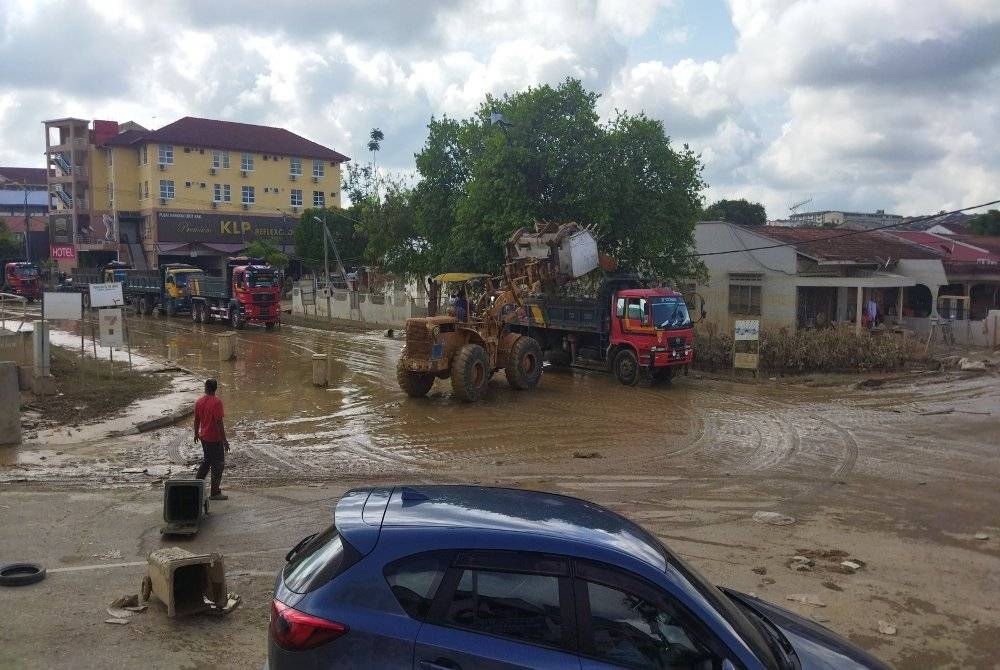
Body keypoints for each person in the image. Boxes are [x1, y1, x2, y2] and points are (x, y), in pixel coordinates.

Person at [193, 378, 230, 500]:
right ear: (216, 388)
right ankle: (214, 492)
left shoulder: (199, 402)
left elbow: (196, 419)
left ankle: (196, 485)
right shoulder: (217, 402)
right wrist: (224, 440)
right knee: (218, 464)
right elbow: (219, 422)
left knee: (207, 460)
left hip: (204, 437)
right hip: (214, 438)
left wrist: (196, 433)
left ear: (205, 388)